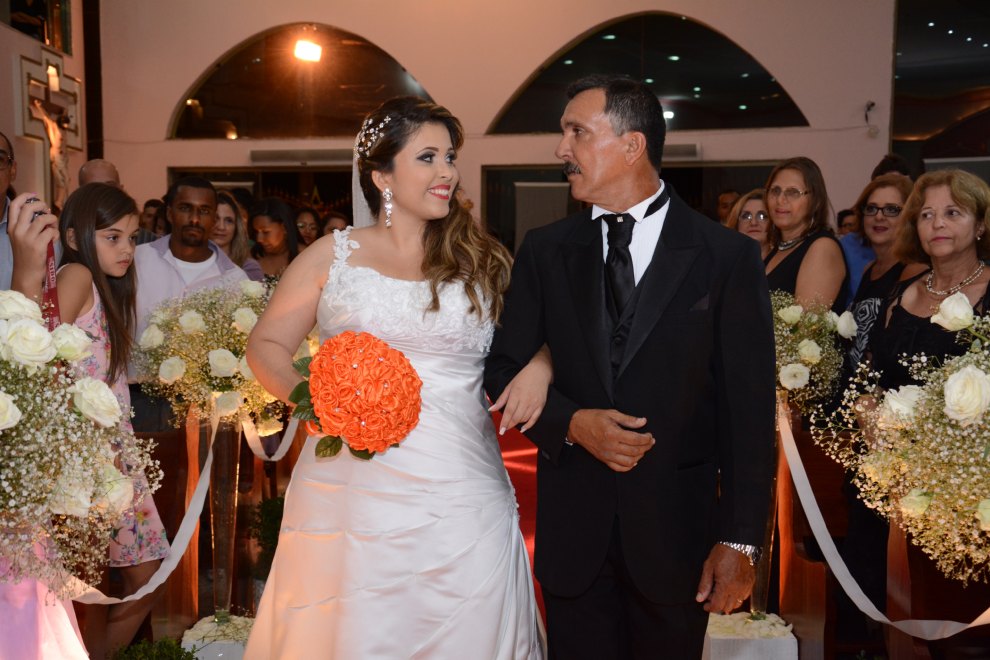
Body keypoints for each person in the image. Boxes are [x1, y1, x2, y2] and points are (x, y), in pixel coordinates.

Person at [484, 75, 776, 658]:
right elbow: (502, 368)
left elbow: (748, 412)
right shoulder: (545, 249)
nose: (561, 149)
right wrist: (571, 423)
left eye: (577, 132)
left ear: (632, 145)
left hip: (677, 538)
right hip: (575, 538)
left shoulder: (725, 257)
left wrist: (742, 542)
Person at [244, 97, 545, 659]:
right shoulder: (332, 256)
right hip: (353, 484)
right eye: (427, 157)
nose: (446, 171)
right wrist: (315, 402)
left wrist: (542, 365)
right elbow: (265, 346)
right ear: (382, 176)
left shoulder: (481, 259)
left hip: (462, 485)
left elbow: (538, 336)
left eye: (449, 157)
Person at [860, 169, 990, 655]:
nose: (937, 224)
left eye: (953, 213)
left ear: (980, 224)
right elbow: (872, 379)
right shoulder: (901, 296)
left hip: (970, 496)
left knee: (966, 634)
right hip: (899, 488)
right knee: (908, 619)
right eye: (927, 214)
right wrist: (868, 413)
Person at [56, 183, 170, 659]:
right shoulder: (77, 274)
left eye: (132, 237)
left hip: (115, 455)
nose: (127, 249)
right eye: (112, 237)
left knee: (145, 574)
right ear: (74, 237)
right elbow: (42, 358)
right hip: (87, 457)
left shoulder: (102, 288)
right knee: (93, 586)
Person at [131, 176, 248, 430]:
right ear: (170, 213)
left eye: (204, 211)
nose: (195, 219)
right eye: (186, 208)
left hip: (203, 406)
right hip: (137, 398)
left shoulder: (234, 280)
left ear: (213, 218)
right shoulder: (137, 260)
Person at [845, 174, 925, 367]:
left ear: (910, 217)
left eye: (892, 209)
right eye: (871, 208)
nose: (879, 216)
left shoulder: (915, 271)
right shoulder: (869, 269)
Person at [764, 156, 849, 312]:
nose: (780, 200)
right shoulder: (777, 249)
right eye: (775, 191)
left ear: (816, 201)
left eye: (793, 192)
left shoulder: (823, 248)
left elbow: (806, 323)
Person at [211, 191, 263, 280]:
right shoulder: (192, 264)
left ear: (236, 227)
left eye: (229, 221)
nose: (221, 227)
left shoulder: (249, 267)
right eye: (216, 219)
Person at [248, 197, 298, 278]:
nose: (259, 239)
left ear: (284, 228)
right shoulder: (250, 257)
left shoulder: (304, 255)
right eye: (256, 232)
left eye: (266, 232)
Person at [726, 188, 773, 259]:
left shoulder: (788, 262)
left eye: (762, 216)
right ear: (736, 224)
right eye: (746, 216)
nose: (753, 223)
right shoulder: (722, 262)